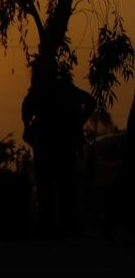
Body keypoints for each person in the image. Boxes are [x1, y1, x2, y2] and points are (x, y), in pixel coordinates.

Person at [22, 63, 95, 235]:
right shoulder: (64, 89)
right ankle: (65, 225)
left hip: (48, 145)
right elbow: (90, 102)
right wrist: (78, 122)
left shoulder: (39, 90)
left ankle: (49, 226)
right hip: (63, 145)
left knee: (48, 187)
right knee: (64, 187)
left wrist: (28, 127)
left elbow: (25, 109)